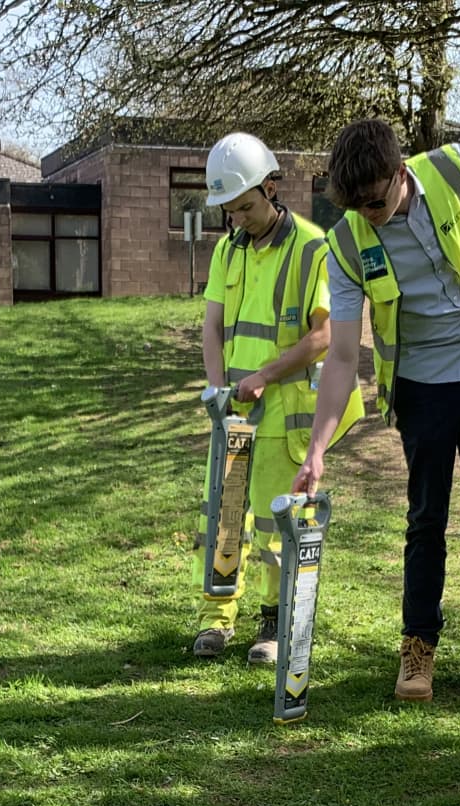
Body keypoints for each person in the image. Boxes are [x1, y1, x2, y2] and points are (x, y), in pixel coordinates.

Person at [291, 120, 460, 702]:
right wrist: (317, 449)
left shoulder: (450, 167)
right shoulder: (342, 246)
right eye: (355, 206)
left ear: (398, 172)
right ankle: (418, 648)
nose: (368, 213)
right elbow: (340, 356)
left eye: (375, 200)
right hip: (421, 385)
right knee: (426, 519)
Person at [194, 134, 361, 661]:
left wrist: (264, 374)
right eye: (229, 210)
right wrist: (220, 392)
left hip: (282, 413)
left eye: (245, 207)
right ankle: (216, 618)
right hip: (235, 413)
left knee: (272, 521)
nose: (237, 218)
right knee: (222, 516)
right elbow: (212, 326)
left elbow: (325, 335)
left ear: (271, 185)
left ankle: (272, 622)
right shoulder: (227, 249)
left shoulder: (314, 246)